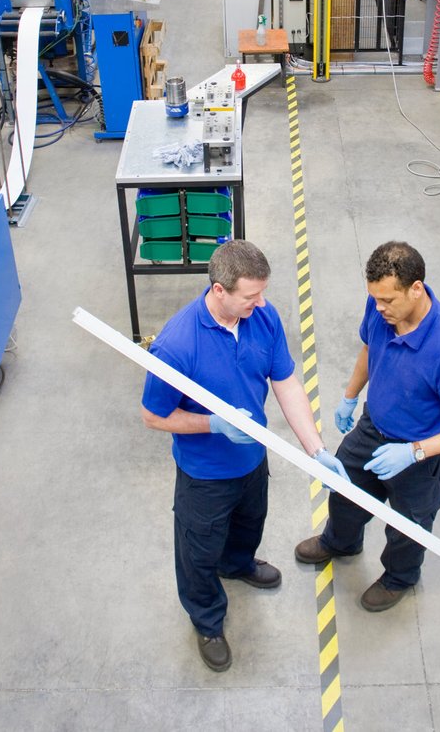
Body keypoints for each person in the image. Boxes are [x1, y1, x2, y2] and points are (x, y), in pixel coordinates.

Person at [142, 241, 347, 673]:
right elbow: (153, 417)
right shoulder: (177, 345)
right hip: (205, 475)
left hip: (253, 459)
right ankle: (207, 620)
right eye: (250, 296)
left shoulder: (262, 318)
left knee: (250, 523)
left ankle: (236, 565)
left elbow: (286, 383)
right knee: (197, 554)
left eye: (263, 293)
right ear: (219, 291)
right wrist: (211, 424)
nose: (262, 303)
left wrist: (317, 449)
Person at [295, 241, 440, 612]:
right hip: (374, 427)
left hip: (420, 451)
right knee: (344, 490)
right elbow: (370, 349)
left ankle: (399, 577)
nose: (379, 307)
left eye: (388, 300)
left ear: (416, 288)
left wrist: (415, 452)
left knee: (409, 524)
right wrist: (351, 396)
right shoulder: (380, 308)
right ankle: (341, 541)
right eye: (375, 299)